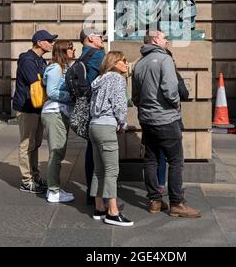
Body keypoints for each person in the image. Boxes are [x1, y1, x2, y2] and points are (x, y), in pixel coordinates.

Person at [132, 29, 201, 218]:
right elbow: (171, 90)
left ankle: (155, 201)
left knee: (151, 159)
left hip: (147, 119)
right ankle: (177, 203)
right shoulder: (165, 60)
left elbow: (135, 96)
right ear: (155, 39)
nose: (168, 41)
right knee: (176, 161)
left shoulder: (139, 64)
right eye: (165, 38)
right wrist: (176, 104)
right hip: (166, 119)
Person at [89, 51, 133, 227]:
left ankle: (99, 207)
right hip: (107, 126)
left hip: (94, 125)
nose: (126, 63)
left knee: (98, 169)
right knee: (112, 170)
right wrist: (122, 124)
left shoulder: (100, 80)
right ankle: (113, 212)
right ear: (114, 63)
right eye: (123, 60)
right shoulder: (117, 79)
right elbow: (120, 105)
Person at [13, 29, 58, 193]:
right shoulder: (27, 59)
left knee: (36, 144)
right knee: (26, 144)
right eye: (49, 40)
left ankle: (35, 176)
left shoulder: (40, 60)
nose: (51, 44)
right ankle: (26, 180)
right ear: (39, 42)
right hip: (27, 108)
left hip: (38, 107)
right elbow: (38, 81)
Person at [41, 40, 76, 203]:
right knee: (56, 152)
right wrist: (71, 96)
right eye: (70, 48)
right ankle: (53, 191)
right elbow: (52, 92)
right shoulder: (56, 68)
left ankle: (54, 188)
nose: (73, 50)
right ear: (62, 50)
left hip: (60, 112)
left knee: (59, 151)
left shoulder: (64, 67)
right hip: (54, 112)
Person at [78, 28, 106, 205]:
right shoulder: (96, 54)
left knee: (91, 149)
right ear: (90, 38)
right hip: (96, 108)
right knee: (99, 153)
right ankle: (97, 195)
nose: (102, 38)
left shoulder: (83, 55)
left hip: (86, 106)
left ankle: (91, 191)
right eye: (99, 36)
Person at [157, 48, 189, 195]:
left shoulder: (145, 68)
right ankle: (175, 195)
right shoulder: (173, 73)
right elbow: (183, 94)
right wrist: (175, 102)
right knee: (175, 159)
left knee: (155, 157)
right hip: (170, 119)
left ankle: (158, 188)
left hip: (150, 119)